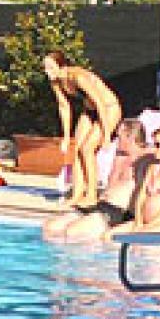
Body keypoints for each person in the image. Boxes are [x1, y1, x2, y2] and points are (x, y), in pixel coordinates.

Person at [44, 118, 147, 244]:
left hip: (119, 211)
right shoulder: (119, 155)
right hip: (101, 205)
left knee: (73, 232)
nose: (116, 139)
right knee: (51, 226)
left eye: (119, 136)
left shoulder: (147, 158)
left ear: (130, 137)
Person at [43, 54, 123, 211]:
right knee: (77, 147)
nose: (47, 71)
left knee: (87, 148)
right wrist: (66, 137)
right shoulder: (56, 81)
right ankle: (78, 193)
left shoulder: (78, 77)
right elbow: (64, 108)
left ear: (62, 66)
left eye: (50, 67)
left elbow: (99, 102)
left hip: (108, 109)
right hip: (90, 110)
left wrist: (106, 134)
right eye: (45, 67)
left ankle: (92, 195)